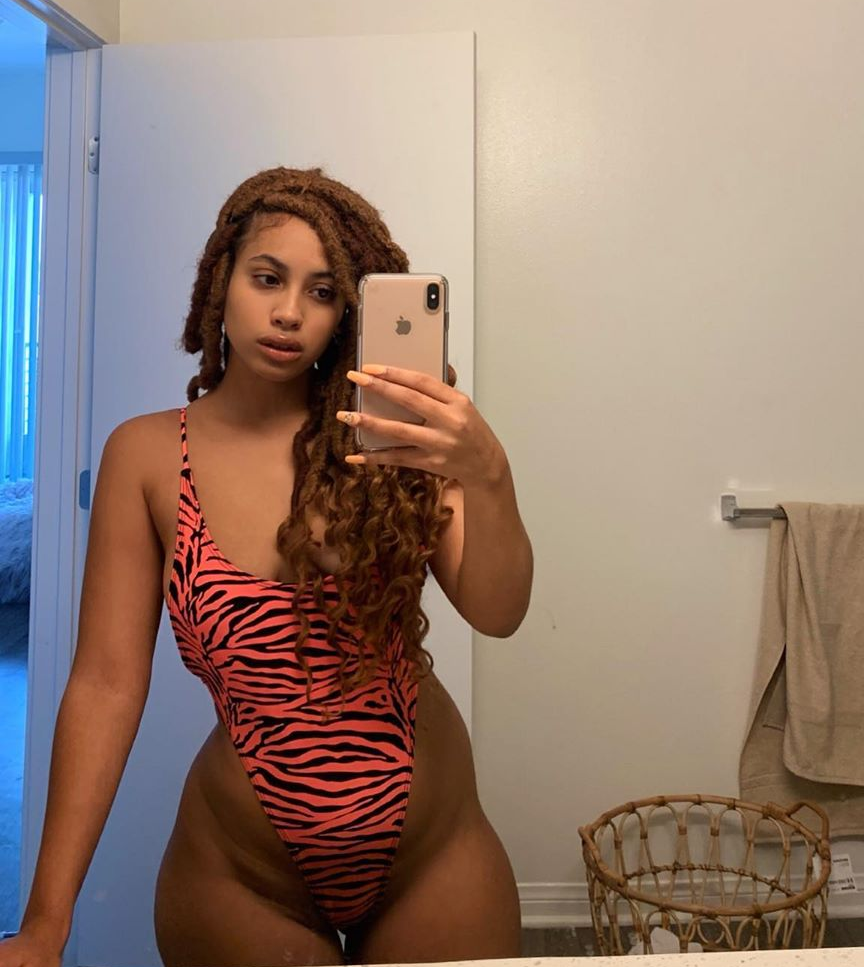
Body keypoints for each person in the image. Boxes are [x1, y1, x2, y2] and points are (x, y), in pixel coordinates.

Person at [0, 167, 533, 967]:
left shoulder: (398, 440)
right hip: (242, 878)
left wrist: (487, 472)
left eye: (322, 291)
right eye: (267, 278)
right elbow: (106, 683)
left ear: (347, 311)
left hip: (435, 856)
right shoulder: (146, 456)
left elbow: (499, 610)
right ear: (222, 280)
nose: (289, 312)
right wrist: (46, 921)